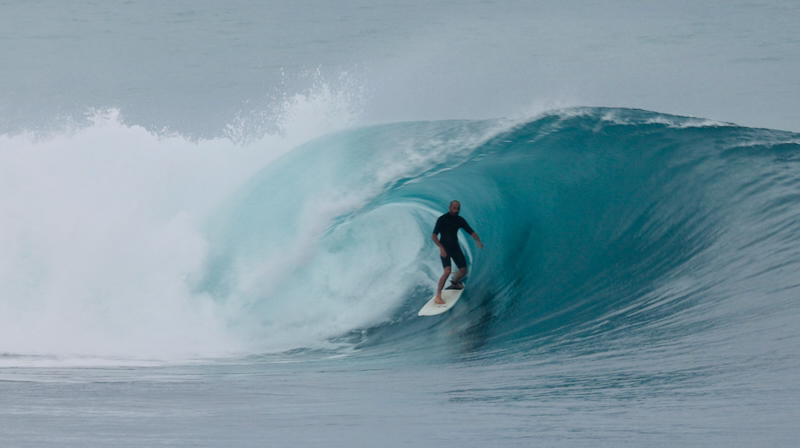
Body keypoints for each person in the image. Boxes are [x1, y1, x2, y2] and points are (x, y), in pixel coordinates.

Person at [432, 200, 483, 304]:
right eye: (454, 208)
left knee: (463, 271)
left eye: (458, 209)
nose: (456, 210)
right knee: (447, 271)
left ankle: (454, 283)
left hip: (455, 248)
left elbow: (471, 231)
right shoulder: (442, 219)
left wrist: (478, 240)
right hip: (445, 249)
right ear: (450, 207)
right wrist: (441, 248)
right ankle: (438, 296)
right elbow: (434, 236)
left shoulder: (460, 220)